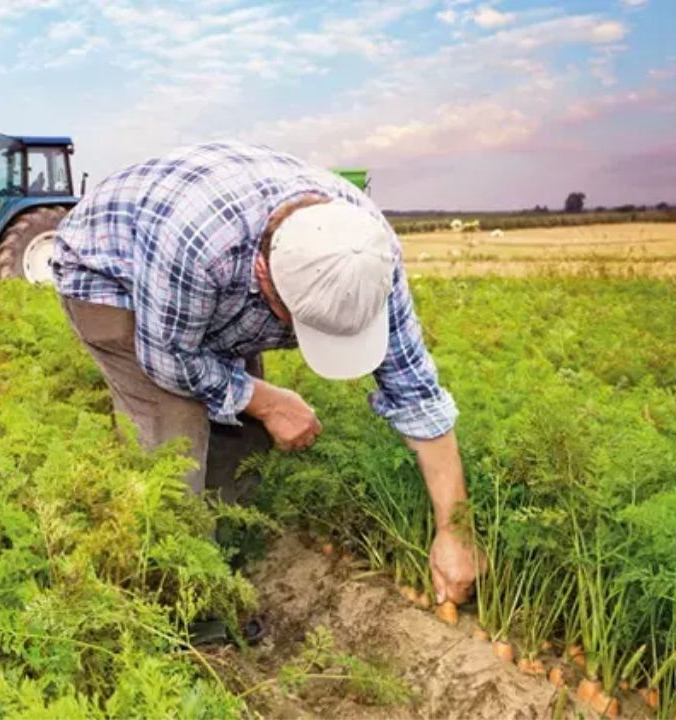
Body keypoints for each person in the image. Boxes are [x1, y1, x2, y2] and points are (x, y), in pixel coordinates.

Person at [51, 141, 477, 606]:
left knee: (242, 434)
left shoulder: (366, 253)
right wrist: (270, 400)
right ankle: (175, 595)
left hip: (207, 282)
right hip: (113, 276)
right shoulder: (199, 245)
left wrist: (455, 531)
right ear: (263, 273)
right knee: (173, 440)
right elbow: (169, 360)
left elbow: (416, 393)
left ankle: (227, 552)